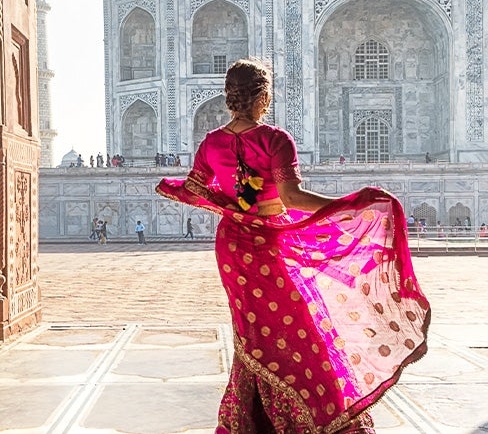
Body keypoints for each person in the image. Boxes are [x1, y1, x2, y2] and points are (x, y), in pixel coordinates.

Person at [158, 58, 428, 433]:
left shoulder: (212, 142)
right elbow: (291, 197)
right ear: (263, 96)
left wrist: (231, 204)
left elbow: (194, 189)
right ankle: (309, 417)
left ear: (229, 97)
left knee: (255, 330)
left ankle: (256, 421)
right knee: (297, 325)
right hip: (268, 239)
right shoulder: (274, 139)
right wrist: (346, 205)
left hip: (234, 244)